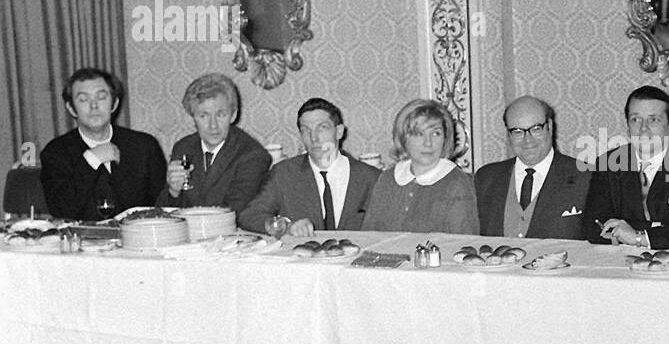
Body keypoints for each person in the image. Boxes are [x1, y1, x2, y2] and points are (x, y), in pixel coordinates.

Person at [583, 86, 669, 251]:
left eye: (653, 119)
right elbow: (593, 227)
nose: (643, 129)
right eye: (635, 119)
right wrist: (663, 228)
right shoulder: (608, 163)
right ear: (627, 126)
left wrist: (639, 236)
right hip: (619, 264)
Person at [238, 97, 379, 236]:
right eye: (306, 130)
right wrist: (286, 227)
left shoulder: (370, 178)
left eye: (322, 128)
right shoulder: (284, 173)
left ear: (339, 131)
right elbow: (249, 216)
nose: (314, 138)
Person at [39, 67, 166, 220]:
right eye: (83, 99)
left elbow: (160, 205)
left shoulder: (144, 146)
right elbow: (61, 210)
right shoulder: (55, 152)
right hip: (83, 240)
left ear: (114, 103)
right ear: (71, 108)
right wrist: (91, 160)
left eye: (101, 97)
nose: (94, 106)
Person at [474, 96, 588, 240]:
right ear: (508, 135)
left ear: (550, 127)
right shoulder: (486, 178)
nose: (528, 140)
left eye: (535, 129)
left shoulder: (586, 176)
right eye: (517, 131)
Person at [158, 73, 272, 214]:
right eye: (203, 116)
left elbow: (233, 213)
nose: (213, 126)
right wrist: (173, 191)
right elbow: (163, 211)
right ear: (192, 117)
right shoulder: (183, 148)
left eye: (220, 115)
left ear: (233, 115)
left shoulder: (253, 155)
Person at [363, 98, 478, 233]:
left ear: (445, 138)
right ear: (403, 137)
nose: (428, 143)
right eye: (419, 134)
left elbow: (462, 244)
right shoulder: (388, 178)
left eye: (436, 133)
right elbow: (369, 234)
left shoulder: (457, 182)